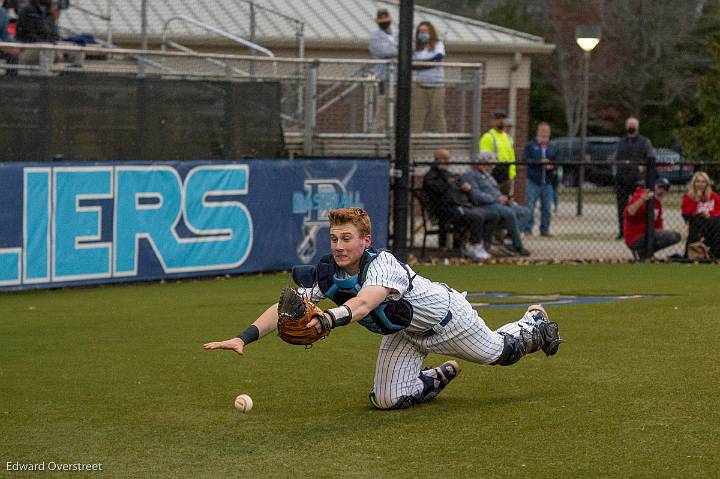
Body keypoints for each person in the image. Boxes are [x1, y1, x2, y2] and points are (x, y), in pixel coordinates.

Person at [204, 207, 563, 410]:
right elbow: (287, 307)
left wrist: (328, 318)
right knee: (387, 401)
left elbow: (364, 304)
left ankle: (532, 322)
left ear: (365, 240)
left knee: (502, 354)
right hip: (405, 334)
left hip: (449, 320)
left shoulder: (384, 264)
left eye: (347, 238)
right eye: (334, 238)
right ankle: (438, 376)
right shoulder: (327, 272)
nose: (339, 246)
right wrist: (243, 338)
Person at [422, 148, 498, 259]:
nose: (448, 163)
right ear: (437, 160)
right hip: (446, 210)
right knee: (477, 217)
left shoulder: (449, 174)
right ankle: (474, 245)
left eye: (448, 159)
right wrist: (446, 177)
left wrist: (464, 186)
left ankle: (483, 245)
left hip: (462, 206)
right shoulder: (431, 176)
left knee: (492, 215)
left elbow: (458, 183)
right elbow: (442, 191)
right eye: (444, 160)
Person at [462, 155, 531, 256]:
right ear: (481, 164)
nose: (492, 167)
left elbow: (496, 192)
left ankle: (509, 241)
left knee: (525, 211)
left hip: (499, 203)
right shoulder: (472, 176)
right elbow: (476, 195)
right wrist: (497, 199)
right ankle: (518, 246)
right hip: (486, 205)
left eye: (493, 164)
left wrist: (506, 199)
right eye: (489, 164)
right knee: (509, 213)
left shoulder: (489, 176)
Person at [614, 117, 655, 240]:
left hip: (638, 180)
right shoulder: (621, 141)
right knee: (622, 208)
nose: (631, 127)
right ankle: (622, 232)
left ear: (638, 127)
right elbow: (616, 157)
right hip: (621, 179)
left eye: (634, 125)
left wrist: (642, 167)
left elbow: (651, 157)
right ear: (626, 126)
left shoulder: (645, 142)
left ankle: (640, 231)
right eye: (629, 124)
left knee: (640, 206)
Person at [623, 176, 680, 259]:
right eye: (660, 187)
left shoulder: (657, 204)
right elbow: (628, 213)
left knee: (675, 237)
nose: (662, 190)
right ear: (653, 187)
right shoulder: (641, 196)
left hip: (649, 235)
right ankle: (643, 252)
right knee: (671, 236)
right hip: (635, 237)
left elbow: (659, 226)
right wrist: (642, 200)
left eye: (665, 189)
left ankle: (644, 254)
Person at [523, 122, 558, 237]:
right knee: (530, 206)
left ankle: (545, 230)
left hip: (547, 182)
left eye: (547, 132)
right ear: (538, 132)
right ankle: (528, 229)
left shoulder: (552, 147)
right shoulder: (530, 146)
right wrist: (540, 162)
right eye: (542, 131)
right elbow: (526, 159)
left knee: (546, 207)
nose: (544, 134)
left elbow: (557, 161)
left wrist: (552, 165)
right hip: (533, 181)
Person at [411, 21, 446, 133]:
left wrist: (421, 66)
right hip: (420, 86)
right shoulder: (417, 49)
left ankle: (442, 141)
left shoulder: (438, 44)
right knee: (417, 115)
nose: (423, 34)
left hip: (436, 85)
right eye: (420, 31)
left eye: (425, 31)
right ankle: (415, 141)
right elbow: (412, 66)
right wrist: (424, 66)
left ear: (431, 32)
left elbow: (437, 59)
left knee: (437, 114)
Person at [368, 8, 398, 133]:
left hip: (398, 78)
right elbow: (384, 52)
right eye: (382, 20)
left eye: (386, 19)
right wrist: (399, 50)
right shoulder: (375, 36)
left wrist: (397, 50)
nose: (384, 22)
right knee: (383, 108)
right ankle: (377, 136)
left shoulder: (398, 33)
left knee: (398, 109)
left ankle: (395, 135)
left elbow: (409, 47)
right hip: (383, 78)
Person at [681, 171, 720, 258]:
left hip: (713, 225)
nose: (700, 184)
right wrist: (697, 199)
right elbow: (687, 215)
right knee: (700, 219)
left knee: (717, 221)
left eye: (703, 182)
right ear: (694, 183)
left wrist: (710, 214)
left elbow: (719, 210)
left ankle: (715, 254)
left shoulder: (713, 196)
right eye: (698, 181)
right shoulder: (688, 197)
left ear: (707, 184)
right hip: (698, 225)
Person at [480, 111, 516, 196]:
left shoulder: (508, 138)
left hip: (506, 175)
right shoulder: (488, 137)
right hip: (494, 174)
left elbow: (511, 158)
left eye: (503, 119)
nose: (501, 121)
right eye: (498, 119)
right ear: (493, 121)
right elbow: (485, 158)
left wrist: (511, 176)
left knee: (506, 200)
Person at [0, 2, 20, 75]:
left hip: (2, 45)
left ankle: (11, 81)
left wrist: (13, 45)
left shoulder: (2, 12)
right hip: (1, 46)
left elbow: (5, 34)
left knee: (13, 54)